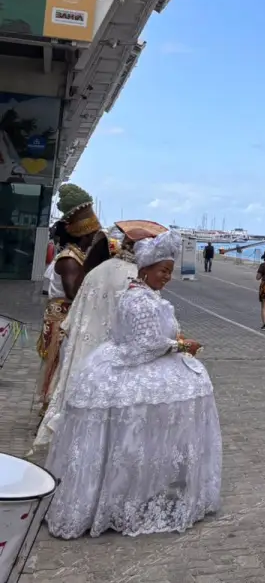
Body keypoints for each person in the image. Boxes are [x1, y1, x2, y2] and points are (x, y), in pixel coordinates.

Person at [45, 230, 222, 539]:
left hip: (128, 361)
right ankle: (123, 498)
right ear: (145, 269)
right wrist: (183, 346)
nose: (167, 277)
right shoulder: (139, 299)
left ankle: (137, 491)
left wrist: (175, 341)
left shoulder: (145, 295)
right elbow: (144, 346)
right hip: (133, 364)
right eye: (163, 270)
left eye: (170, 271)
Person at [34, 220, 167, 450]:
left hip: (85, 348)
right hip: (116, 356)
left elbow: (75, 311)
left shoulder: (98, 270)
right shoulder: (137, 277)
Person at [38, 184, 102, 411]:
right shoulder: (69, 259)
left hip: (67, 319)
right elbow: (74, 292)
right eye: (94, 235)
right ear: (86, 235)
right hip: (62, 321)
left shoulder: (77, 255)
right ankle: (51, 410)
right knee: (59, 364)